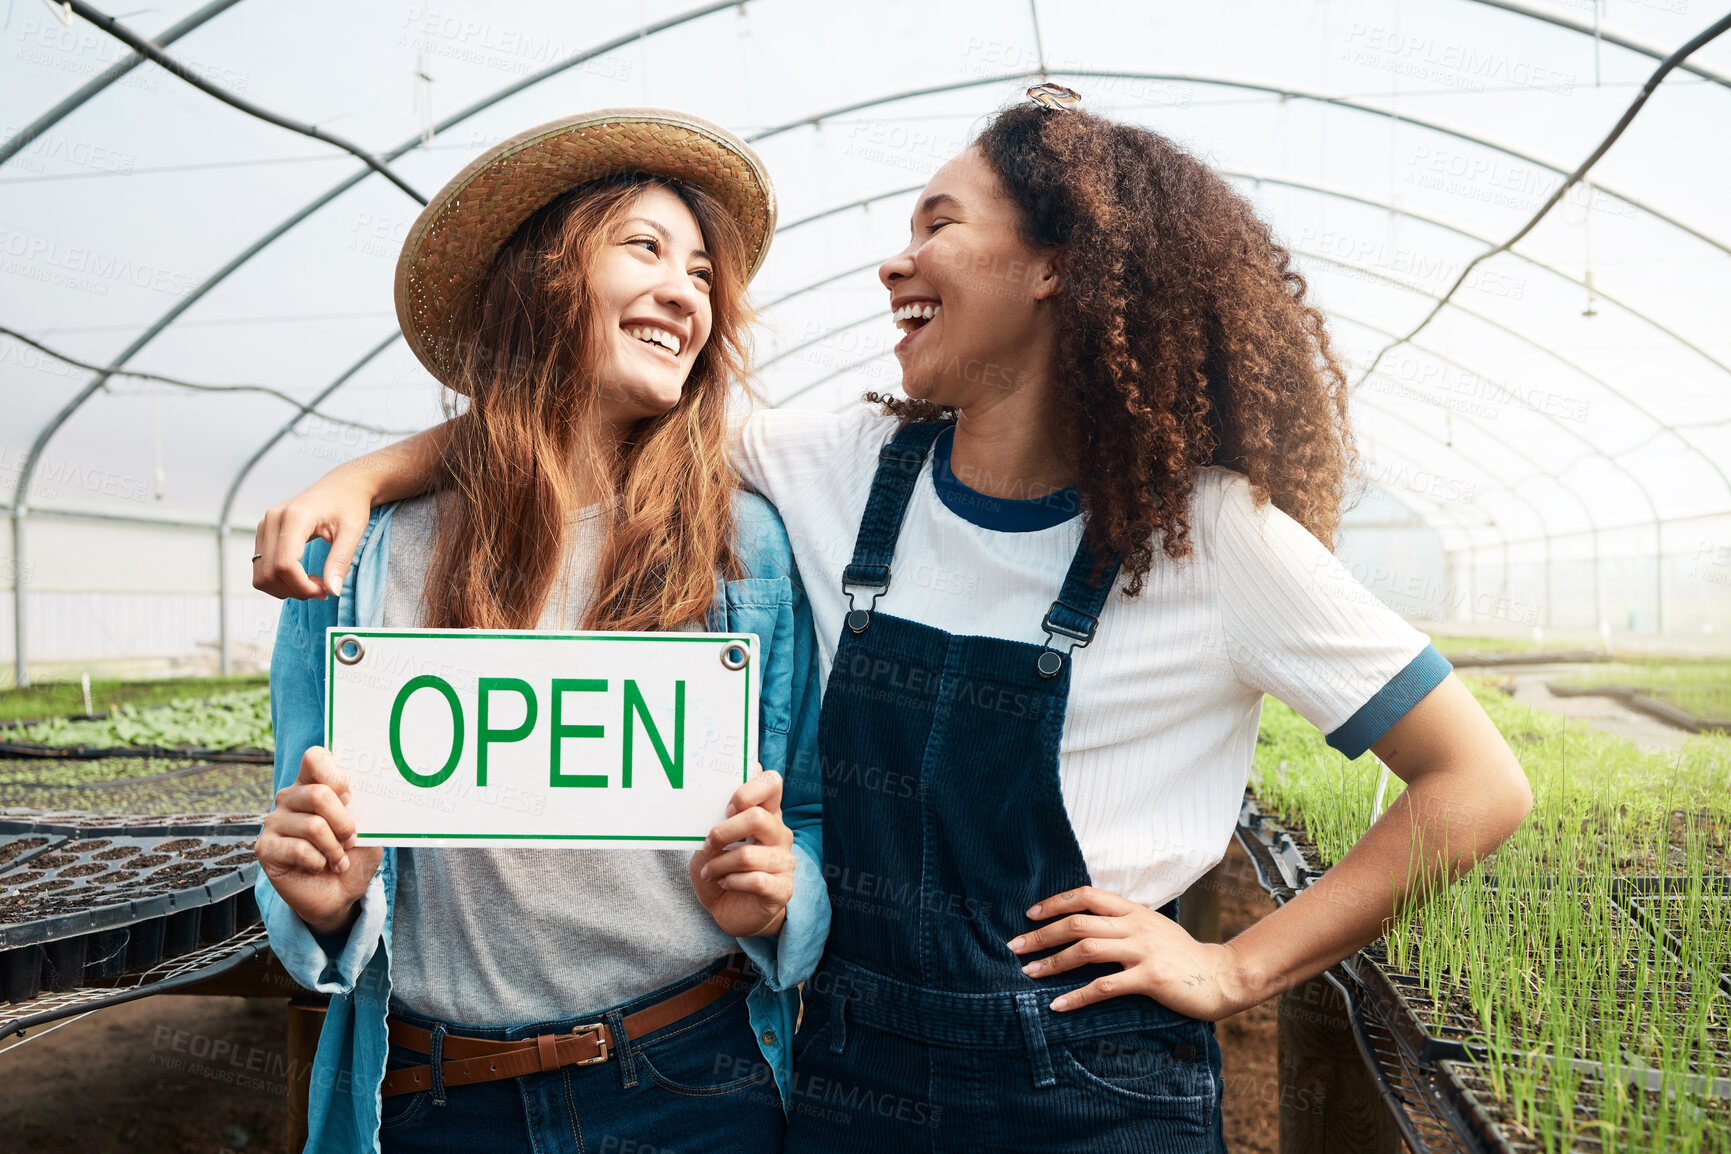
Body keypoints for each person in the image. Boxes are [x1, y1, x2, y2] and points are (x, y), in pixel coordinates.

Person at [254, 90, 1533, 1153]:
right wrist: (365, 475)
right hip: (855, 1076)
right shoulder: (848, 467)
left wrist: (1240, 966)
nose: (892, 257)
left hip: (1086, 1089)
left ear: (1058, 267)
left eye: (938, 223)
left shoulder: (1217, 538)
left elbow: (1475, 781)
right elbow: (590, 411)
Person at [252, 109, 828, 1154]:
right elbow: (305, 827)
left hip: (692, 1080)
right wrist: (326, 899)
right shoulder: (363, 555)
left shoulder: (745, 546)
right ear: (545, 279)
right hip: (436, 1097)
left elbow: (812, 814)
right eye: (645, 248)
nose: (685, 292)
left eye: (703, 272)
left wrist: (783, 894)